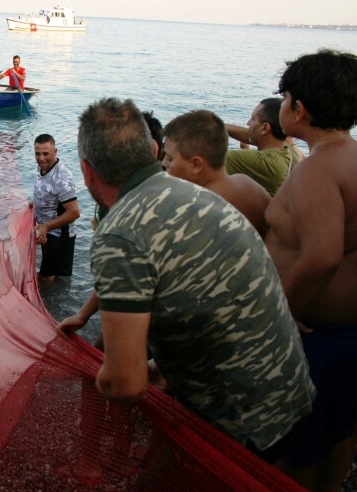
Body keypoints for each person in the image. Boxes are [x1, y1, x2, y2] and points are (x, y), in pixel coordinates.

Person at [57, 98, 314, 467]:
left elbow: (125, 385)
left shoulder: (119, 234)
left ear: (85, 171)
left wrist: (86, 375)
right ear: (153, 150)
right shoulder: (201, 195)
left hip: (243, 429)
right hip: (294, 395)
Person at [264, 49, 357, 492]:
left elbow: (321, 256)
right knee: (336, 440)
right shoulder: (350, 158)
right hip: (346, 338)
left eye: (284, 98)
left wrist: (280, 313)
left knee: (293, 457)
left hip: (317, 338)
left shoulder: (317, 170)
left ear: (297, 108)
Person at [162, 109, 271, 237]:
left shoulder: (195, 207)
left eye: (170, 158)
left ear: (196, 165)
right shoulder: (248, 185)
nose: (164, 163)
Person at [225, 97, 301, 196]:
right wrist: (221, 127)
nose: (248, 123)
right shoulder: (290, 151)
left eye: (253, 119)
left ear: (265, 128)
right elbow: (251, 135)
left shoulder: (262, 161)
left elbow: (203, 159)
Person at [31, 134, 80, 283]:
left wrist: (46, 226)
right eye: (37, 154)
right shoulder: (43, 167)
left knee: (47, 278)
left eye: (46, 153)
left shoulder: (62, 178)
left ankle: (47, 304)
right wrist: (33, 202)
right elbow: (47, 193)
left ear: (55, 152)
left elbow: (74, 212)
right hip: (48, 232)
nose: (41, 158)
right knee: (52, 276)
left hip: (59, 235)